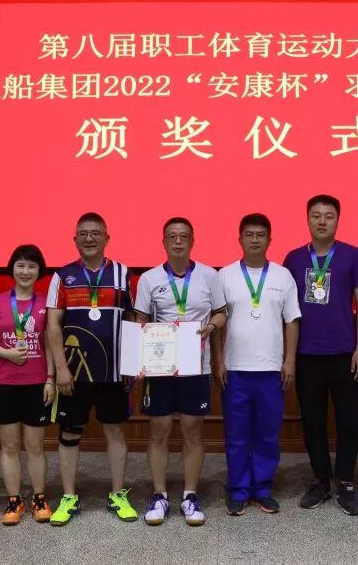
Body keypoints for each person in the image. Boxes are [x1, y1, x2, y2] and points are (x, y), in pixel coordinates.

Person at [45, 213, 137, 526]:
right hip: (73, 374)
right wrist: (61, 368)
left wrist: (131, 362)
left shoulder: (123, 274)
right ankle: (69, 496)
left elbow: (132, 320)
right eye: (83, 233)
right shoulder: (62, 276)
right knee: (70, 432)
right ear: (75, 239)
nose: (89, 238)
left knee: (115, 431)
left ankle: (117, 494)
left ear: (107, 238)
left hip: (114, 372)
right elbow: (53, 325)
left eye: (96, 233)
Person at [134, 217, 227, 526]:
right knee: (159, 430)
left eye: (183, 236)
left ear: (192, 241)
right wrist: (139, 362)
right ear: (163, 242)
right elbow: (140, 321)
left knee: (193, 430)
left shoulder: (209, 276)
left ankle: (189, 495)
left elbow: (221, 313)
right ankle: (159, 495)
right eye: (172, 236)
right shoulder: (148, 279)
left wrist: (211, 327)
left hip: (196, 367)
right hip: (159, 367)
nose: (177, 241)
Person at [283, 194, 358, 515]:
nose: (322, 221)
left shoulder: (353, 256)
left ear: (338, 220)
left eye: (329, 216)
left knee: (349, 422)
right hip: (307, 354)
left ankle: (345, 482)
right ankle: (321, 479)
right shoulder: (293, 259)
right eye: (316, 215)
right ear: (307, 219)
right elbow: (287, 311)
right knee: (313, 421)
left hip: (346, 353)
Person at [214, 213, 301, 516]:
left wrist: (289, 360)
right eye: (249, 234)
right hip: (235, 369)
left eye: (260, 235)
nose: (254, 239)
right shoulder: (224, 276)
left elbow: (292, 321)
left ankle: (262, 489)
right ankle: (238, 490)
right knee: (237, 435)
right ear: (239, 239)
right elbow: (217, 321)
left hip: (271, 370)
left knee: (267, 434)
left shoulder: (283, 276)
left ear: (269, 240)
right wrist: (218, 361)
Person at [0, 245, 54, 525]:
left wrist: (50, 378)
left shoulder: (47, 303)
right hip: (5, 382)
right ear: (12, 269)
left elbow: (50, 342)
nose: (26, 271)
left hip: (37, 383)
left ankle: (39, 498)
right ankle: (14, 500)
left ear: (39, 271)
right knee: (9, 446)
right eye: (20, 265)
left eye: (32, 266)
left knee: (36, 446)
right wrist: (6, 353)